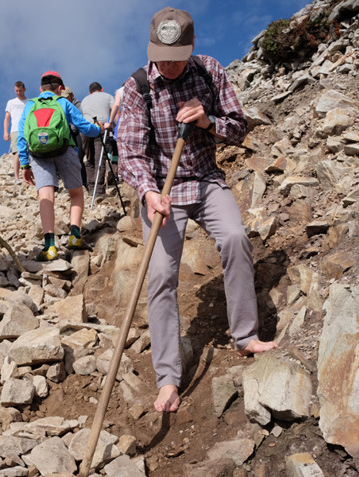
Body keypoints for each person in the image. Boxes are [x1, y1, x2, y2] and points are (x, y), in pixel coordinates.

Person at [118, 7, 278, 413]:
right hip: (162, 192)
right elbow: (131, 154)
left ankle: (245, 337)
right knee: (160, 275)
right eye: (161, 56)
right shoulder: (138, 87)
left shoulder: (209, 71)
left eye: (177, 56)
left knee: (236, 238)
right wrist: (150, 192)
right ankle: (169, 379)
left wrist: (208, 122)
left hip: (206, 179)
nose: (168, 65)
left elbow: (240, 128)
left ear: (191, 48)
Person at [17, 72, 101, 261]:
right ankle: (75, 236)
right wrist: (99, 129)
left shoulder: (30, 105)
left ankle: (50, 247)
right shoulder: (64, 103)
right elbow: (83, 127)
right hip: (65, 151)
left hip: (38, 155)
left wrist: (24, 164)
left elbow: (22, 136)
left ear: (40, 90)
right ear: (60, 88)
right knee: (76, 193)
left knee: (46, 197)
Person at [80, 82, 114, 193]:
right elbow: (115, 110)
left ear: (89, 92)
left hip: (86, 128)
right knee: (99, 158)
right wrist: (112, 125)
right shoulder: (108, 96)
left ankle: (91, 186)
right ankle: (98, 189)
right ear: (102, 89)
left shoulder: (85, 100)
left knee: (89, 159)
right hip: (101, 127)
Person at [61, 86, 87, 186]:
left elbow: (82, 120)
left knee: (79, 158)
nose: (64, 100)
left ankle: (84, 183)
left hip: (78, 135)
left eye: (65, 97)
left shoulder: (78, 105)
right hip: (69, 135)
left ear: (71, 96)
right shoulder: (62, 106)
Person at [3, 81, 27, 183]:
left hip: (27, 130)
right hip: (15, 130)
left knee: (31, 152)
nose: (18, 93)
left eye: (20, 91)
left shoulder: (29, 102)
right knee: (17, 153)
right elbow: (7, 118)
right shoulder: (11, 102)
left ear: (24, 90)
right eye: (16, 91)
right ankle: (17, 177)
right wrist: (5, 132)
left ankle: (30, 174)